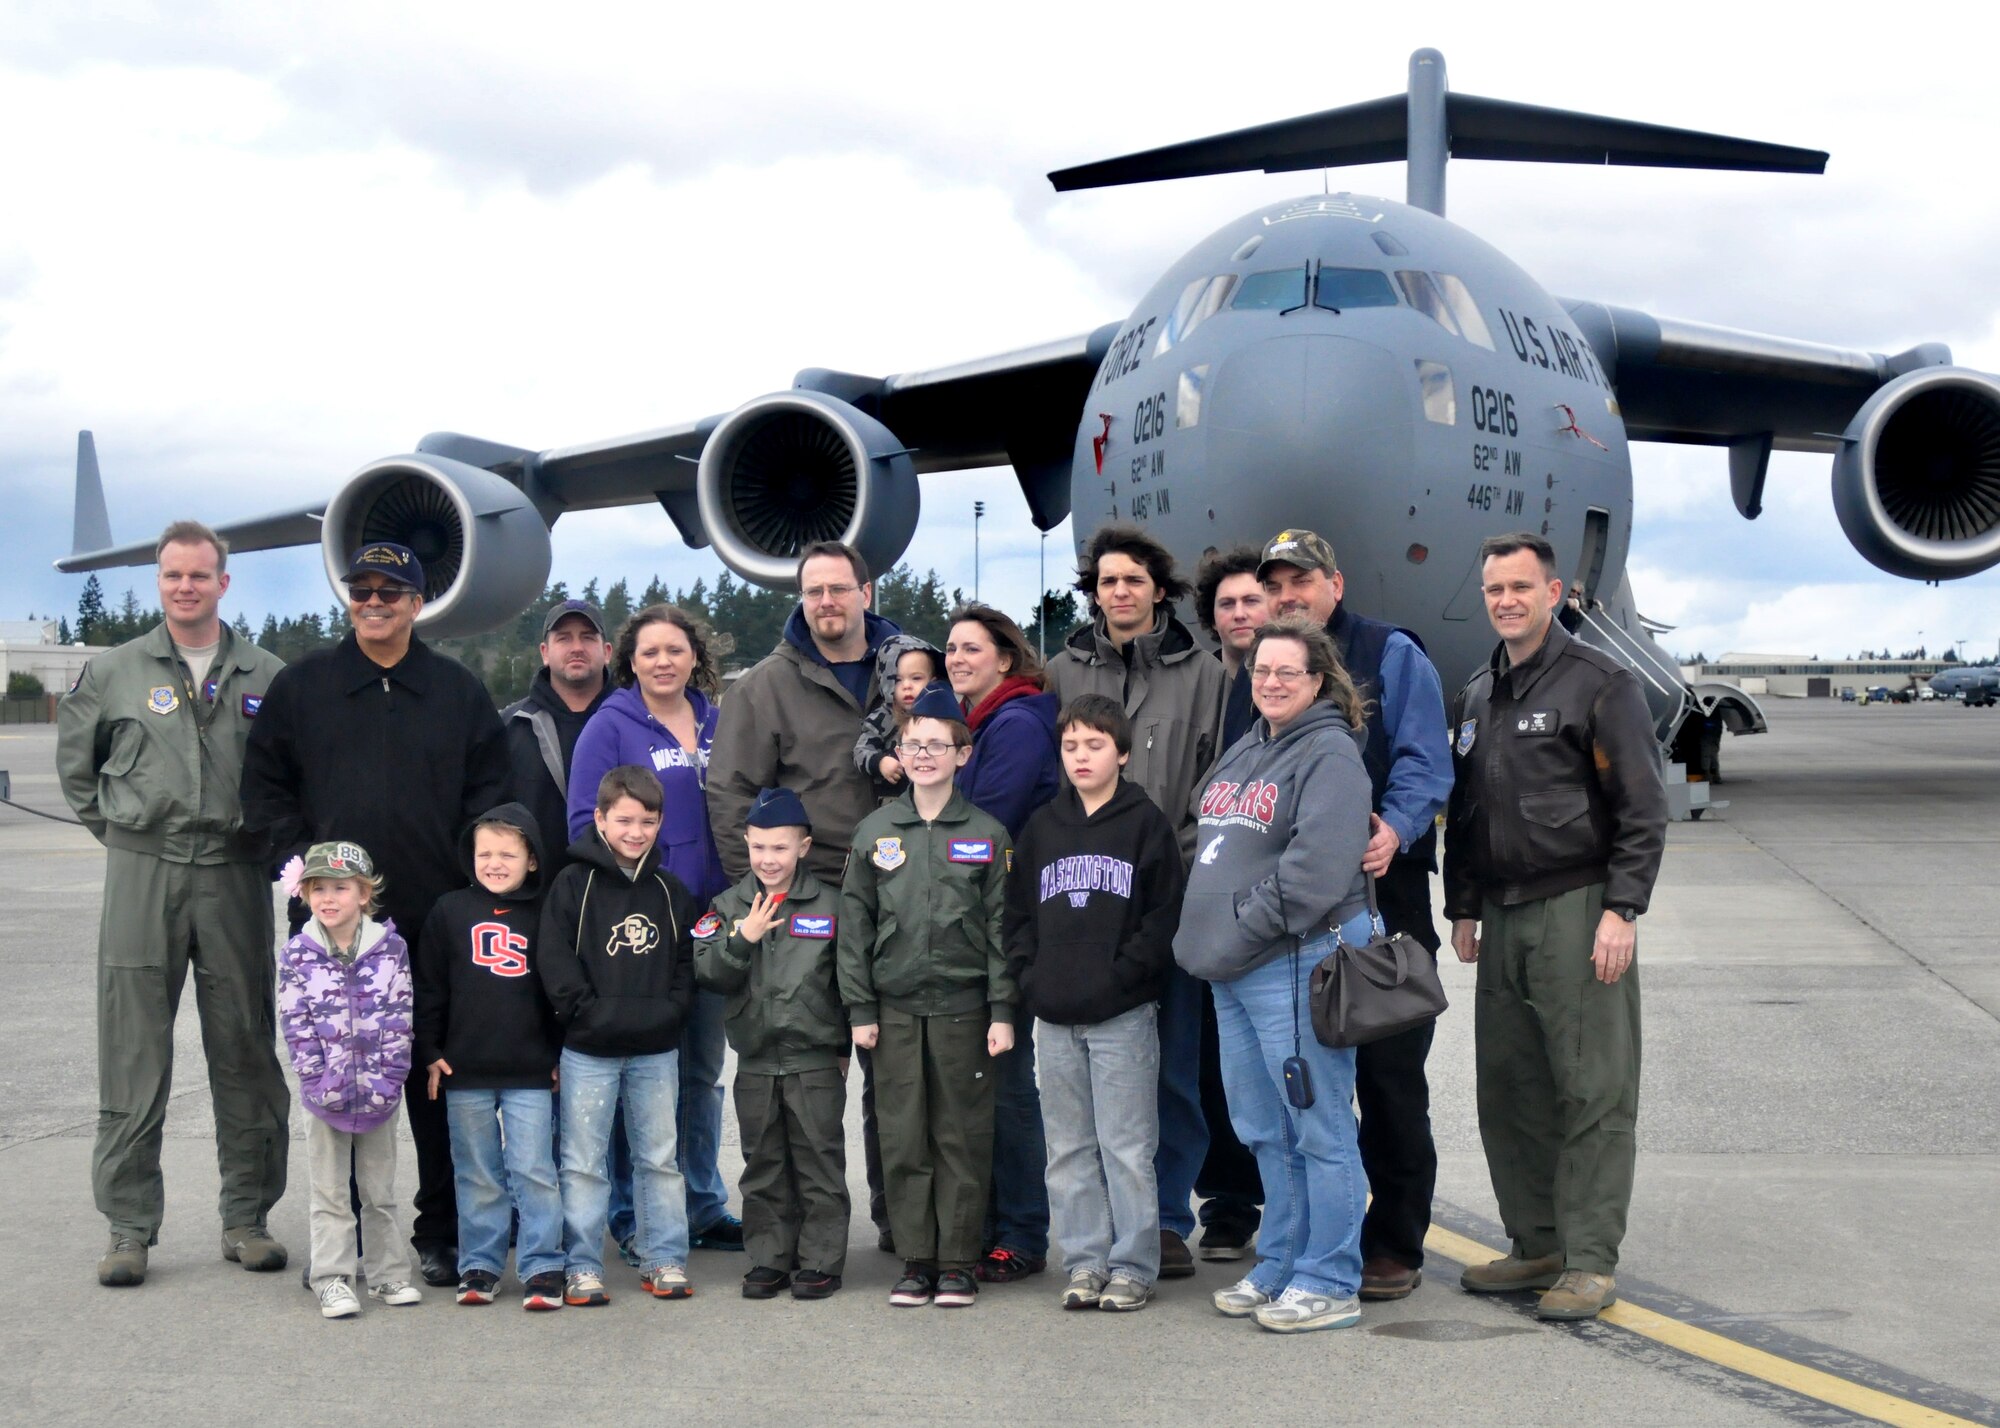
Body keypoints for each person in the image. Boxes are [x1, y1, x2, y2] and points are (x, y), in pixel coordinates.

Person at [241, 540, 512, 1287]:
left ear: (418, 603)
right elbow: (264, 791)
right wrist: (303, 871)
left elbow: (490, 799)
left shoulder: (457, 693)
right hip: (333, 932)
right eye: (361, 589)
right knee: (340, 1084)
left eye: (390, 590)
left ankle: (442, 1231)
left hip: (431, 926)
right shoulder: (305, 689)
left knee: (431, 1079)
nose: (374, 601)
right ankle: (343, 1240)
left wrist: (469, 891)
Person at [55, 520, 291, 1288]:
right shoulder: (116, 671)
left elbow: (289, 776)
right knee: (132, 1051)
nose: (185, 587)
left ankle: (247, 1218)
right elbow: (78, 772)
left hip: (233, 872)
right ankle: (128, 1228)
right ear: (158, 582)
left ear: (224, 582)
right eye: (172, 576)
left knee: (246, 1046)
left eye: (199, 575)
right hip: (144, 870)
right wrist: (129, 836)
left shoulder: (268, 676)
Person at [1445, 532, 1667, 1321]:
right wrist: (1462, 904)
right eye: (1493, 589)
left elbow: (1643, 808)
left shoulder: (1600, 683)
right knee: (1511, 1089)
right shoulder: (1479, 690)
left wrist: (1623, 909)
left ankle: (1589, 1258)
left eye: (1519, 587)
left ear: (1555, 591)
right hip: (1501, 913)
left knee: (1592, 1087)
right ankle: (1535, 1242)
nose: (1505, 600)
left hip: (1579, 905)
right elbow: (1467, 810)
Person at [1258, 527, 1452, 1301]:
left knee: (1391, 1081)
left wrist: (1395, 829)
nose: (1288, 594)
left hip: (1383, 901)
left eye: (1301, 581)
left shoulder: (1391, 654)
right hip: (1297, 910)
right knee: (1307, 1087)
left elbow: (1427, 761)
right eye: (1276, 584)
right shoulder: (1268, 668)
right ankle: (1314, 1239)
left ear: (1334, 585)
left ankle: (1394, 1244)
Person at [1174, 619, 1375, 1334]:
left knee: (1317, 1125)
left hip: (1290, 964)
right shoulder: (1249, 746)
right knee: (1264, 1128)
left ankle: (1330, 1278)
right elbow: (1204, 828)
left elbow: (1314, 872)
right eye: (1262, 671)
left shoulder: (1328, 754)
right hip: (1231, 971)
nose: (1273, 682)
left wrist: (1239, 926)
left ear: (1319, 679)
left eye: (1289, 671)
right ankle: (1285, 1261)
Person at [708, 540, 902, 1250]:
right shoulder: (764, 686)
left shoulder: (906, 671)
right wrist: (762, 892)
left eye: (838, 589)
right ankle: (789, 1235)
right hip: (809, 907)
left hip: (902, 897)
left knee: (898, 1070)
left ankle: (900, 1219)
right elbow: (731, 792)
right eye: (813, 591)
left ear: (866, 590)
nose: (826, 603)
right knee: (803, 1079)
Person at [1045, 524, 1223, 1281]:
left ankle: (1168, 1221)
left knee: (1171, 1070)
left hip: (1170, 900)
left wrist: (1170, 863)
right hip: (1082, 907)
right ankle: (1098, 1234)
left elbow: (1218, 780)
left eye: (1134, 580)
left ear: (1160, 589)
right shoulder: (1061, 670)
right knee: (1081, 1084)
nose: (1120, 592)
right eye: (1107, 581)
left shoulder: (1206, 673)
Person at [567, 606, 739, 1255]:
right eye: (649, 652)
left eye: (675, 650)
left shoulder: (720, 722)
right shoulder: (607, 728)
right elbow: (586, 823)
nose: (663, 661)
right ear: (630, 662)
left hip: (711, 923)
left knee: (699, 1073)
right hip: (639, 929)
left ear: (695, 656)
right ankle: (629, 1210)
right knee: (632, 1069)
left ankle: (700, 1203)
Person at [838, 685, 1015, 1309]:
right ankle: (916, 1258)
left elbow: (1001, 930)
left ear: (963, 755)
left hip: (966, 1011)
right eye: (913, 744)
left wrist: (1002, 1011)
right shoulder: (876, 831)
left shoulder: (988, 833)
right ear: (900, 751)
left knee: (961, 1136)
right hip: (893, 1012)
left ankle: (959, 1260)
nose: (923, 755)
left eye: (937, 745)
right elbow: (853, 929)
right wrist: (859, 1010)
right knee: (903, 1135)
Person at [1005, 695, 1184, 1312]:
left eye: (1096, 744)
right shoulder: (1043, 827)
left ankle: (1133, 1265)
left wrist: (1122, 979)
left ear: (1123, 753)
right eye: (1071, 745)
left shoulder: (1145, 824)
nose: (1082, 756)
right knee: (1069, 1148)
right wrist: (1032, 978)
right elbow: (1018, 914)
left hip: (1123, 1016)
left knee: (1127, 1147)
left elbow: (1163, 919)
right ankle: (1084, 1262)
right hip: (1053, 1018)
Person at [539, 764, 700, 1306]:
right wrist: (586, 1015)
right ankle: (582, 1265)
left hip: (656, 1049)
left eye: (648, 821)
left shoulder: (670, 890)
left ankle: (665, 1258)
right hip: (589, 1050)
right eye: (624, 820)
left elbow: (684, 964)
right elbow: (555, 960)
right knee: (583, 1163)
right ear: (601, 819)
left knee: (659, 1157)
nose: (636, 832)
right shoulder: (571, 884)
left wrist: (672, 1012)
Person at [693, 787, 851, 1301]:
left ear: (803, 847)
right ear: (745, 844)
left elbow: (849, 981)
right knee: (762, 1162)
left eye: (780, 848)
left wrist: (846, 1047)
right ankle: (769, 1259)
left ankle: (820, 1261)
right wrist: (744, 938)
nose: (768, 859)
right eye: (759, 847)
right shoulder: (727, 905)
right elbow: (707, 970)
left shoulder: (830, 905)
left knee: (818, 1161)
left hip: (814, 1059)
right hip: (756, 1060)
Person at [945, 603, 1059, 1282]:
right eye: (952, 649)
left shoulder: (1015, 723)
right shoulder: (979, 723)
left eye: (972, 649)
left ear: (1006, 659)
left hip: (1002, 927)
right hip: (978, 925)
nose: (958, 658)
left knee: (1009, 1088)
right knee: (982, 1086)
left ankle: (1020, 1232)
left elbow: (983, 827)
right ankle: (991, 1224)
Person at [415, 803, 565, 1311]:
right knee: (476, 1171)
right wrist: (430, 1050)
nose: (495, 863)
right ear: (469, 856)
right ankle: (479, 1262)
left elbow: (556, 992)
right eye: (485, 853)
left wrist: (558, 1054)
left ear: (532, 860)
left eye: (508, 853)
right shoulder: (449, 911)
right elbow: (431, 988)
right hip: (465, 1070)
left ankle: (544, 1264)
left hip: (528, 1068)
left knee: (534, 1169)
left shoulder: (546, 912)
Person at [277, 841, 424, 1319]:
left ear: (364, 894)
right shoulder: (298, 953)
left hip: (380, 1094)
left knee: (380, 1193)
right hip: (325, 1097)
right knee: (331, 1193)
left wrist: (392, 1077)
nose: (328, 898)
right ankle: (333, 1279)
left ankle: (387, 1275)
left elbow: (402, 1016)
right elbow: (295, 1024)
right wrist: (316, 1079)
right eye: (317, 888)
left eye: (340, 888)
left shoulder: (391, 947)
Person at [1187, 546, 1271, 1260]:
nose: (1240, 614)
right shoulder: (1203, 685)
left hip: (1280, 902)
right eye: (1227, 604)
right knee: (1219, 1061)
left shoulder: (1291, 682)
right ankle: (1231, 1200)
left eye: (1252, 601)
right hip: (1213, 891)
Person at [503, 598, 613, 866]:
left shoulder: (635, 723)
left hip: (619, 895)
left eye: (588, 637)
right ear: (544, 651)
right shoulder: (511, 725)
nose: (577, 647)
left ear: (607, 651)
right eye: (563, 638)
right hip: (534, 895)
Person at [853, 633, 945, 797]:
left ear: (933, 681)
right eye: (897, 680)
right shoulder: (882, 718)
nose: (907, 686)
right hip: (893, 802)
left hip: (936, 797)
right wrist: (880, 762)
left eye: (916, 678)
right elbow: (860, 751)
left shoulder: (942, 716)